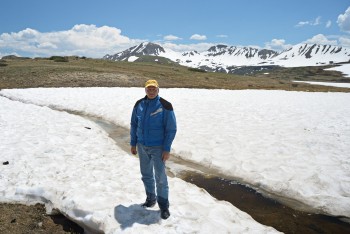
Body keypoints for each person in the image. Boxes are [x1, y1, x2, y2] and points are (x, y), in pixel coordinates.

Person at [130, 79, 177, 220]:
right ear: (145, 89)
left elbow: (171, 129)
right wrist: (133, 143)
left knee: (161, 178)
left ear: (158, 90)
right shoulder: (139, 105)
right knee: (146, 175)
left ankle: (164, 206)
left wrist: (166, 149)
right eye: (148, 89)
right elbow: (133, 124)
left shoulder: (165, 105)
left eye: (153, 89)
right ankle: (151, 199)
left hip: (158, 148)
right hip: (142, 146)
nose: (151, 91)